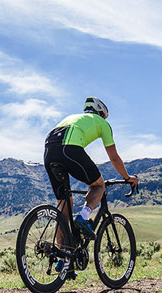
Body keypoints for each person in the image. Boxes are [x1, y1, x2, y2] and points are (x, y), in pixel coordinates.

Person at [44, 97, 139, 246]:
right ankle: (83, 216)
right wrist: (127, 177)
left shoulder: (72, 117)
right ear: (101, 113)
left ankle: (63, 259)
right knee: (98, 186)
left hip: (49, 151)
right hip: (69, 148)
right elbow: (114, 157)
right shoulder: (102, 123)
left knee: (64, 208)